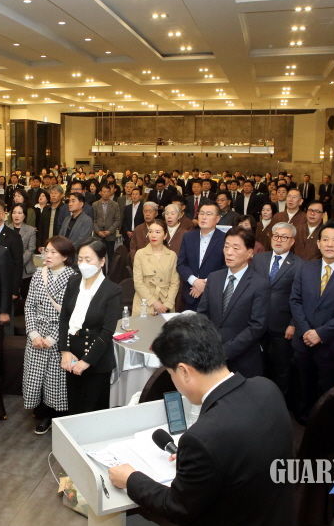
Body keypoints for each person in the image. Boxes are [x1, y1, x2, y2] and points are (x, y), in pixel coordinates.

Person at [108, 313, 293, 526]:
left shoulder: (202, 439)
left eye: (171, 374)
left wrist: (131, 479)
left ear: (184, 371)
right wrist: (199, 465)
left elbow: (177, 507)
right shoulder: (267, 388)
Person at [289, 220, 334, 420]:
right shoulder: (305, 268)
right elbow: (295, 300)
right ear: (319, 243)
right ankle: (301, 421)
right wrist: (306, 331)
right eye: (326, 240)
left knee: (325, 389)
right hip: (303, 341)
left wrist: (320, 333)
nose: (330, 244)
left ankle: (321, 426)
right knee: (302, 385)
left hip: (331, 345)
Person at [58, 239, 122, 414]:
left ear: (102, 261)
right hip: (71, 357)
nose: (83, 264)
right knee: (73, 410)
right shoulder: (73, 282)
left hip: (96, 361)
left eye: (88, 260)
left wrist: (86, 361)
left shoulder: (112, 290)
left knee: (91, 412)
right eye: (80, 260)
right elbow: (64, 318)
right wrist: (64, 350)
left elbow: (107, 331)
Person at [24, 236, 78, 434]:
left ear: (65, 256)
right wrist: (33, 333)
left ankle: (55, 416)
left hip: (59, 337)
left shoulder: (73, 278)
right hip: (36, 335)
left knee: (55, 381)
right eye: (47, 251)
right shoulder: (39, 274)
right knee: (36, 377)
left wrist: (52, 338)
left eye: (54, 252)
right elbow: (29, 305)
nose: (48, 255)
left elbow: (70, 314)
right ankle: (41, 411)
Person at [197, 227, 269, 377]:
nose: (229, 252)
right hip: (211, 358)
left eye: (236, 248)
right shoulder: (214, 277)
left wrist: (225, 351)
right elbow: (202, 314)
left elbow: (257, 326)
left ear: (250, 252)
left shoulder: (259, 283)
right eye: (226, 246)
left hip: (243, 360)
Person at [251, 222, 301, 399]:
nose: (279, 240)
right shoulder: (259, 259)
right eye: (276, 236)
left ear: (292, 241)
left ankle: (279, 405)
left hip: (282, 327)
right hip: (256, 324)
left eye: (284, 237)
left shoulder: (299, 265)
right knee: (257, 367)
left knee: (281, 369)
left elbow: (300, 298)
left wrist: (293, 324)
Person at [177, 203, 226, 311]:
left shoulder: (224, 239)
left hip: (213, 295)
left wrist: (206, 284)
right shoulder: (188, 236)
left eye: (209, 214)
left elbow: (226, 267)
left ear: (217, 219)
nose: (204, 217)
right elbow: (181, 263)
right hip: (190, 293)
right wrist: (195, 281)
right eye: (201, 213)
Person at [132, 219, 179, 316]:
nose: (153, 235)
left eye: (158, 232)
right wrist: (154, 302)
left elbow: (175, 282)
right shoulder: (140, 254)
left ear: (165, 235)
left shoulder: (172, 255)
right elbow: (138, 283)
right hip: (144, 301)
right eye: (150, 231)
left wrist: (167, 304)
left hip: (165, 302)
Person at [0, 198, 24, 298]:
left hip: (3, 288)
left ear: (3, 215)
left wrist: (14, 290)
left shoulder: (13, 237)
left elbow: (18, 264)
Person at [10, 203, 37, 299]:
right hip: (9, 268)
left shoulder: (31, 230)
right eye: (14, 212)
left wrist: (18, 263)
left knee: (26, 297)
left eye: (20, 213)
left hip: (25, 269)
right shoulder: (6, 228)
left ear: (24, 215)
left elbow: (31, 249)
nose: (16, 215)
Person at [92, 184, 121, 265]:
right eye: (104, 192)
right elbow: (93, 220)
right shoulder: (95, 204)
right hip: (98, 235)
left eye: (108, 192)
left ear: (110, 193)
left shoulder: (115, 205)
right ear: (100, 192)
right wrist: (98, 231)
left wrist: (110, 231)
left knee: (111, 256)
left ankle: (110, 275)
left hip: (110, 235)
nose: (106, 194)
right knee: (98, 256)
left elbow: (117, 220)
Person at [37, 185, 68, 249]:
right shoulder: (46, 209)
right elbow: (41, 227)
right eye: (51, 193)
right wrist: (40, 244)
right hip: (46, 243)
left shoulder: (65, 209)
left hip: (60, 244)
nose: (53, 195)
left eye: (56, 193)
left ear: (62, 195)